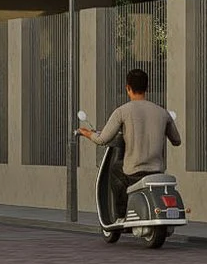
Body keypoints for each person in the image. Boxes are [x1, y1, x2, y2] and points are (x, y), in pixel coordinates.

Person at [77, 66, 180, 219]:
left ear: (128, 88)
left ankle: (121, 214)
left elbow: (102, 139)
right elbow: (177, 140)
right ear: (147, 88)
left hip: (133, 172)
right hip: (157, 171)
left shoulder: (122, 111)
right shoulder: (162, 112)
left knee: (115, 170)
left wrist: (85, 133)